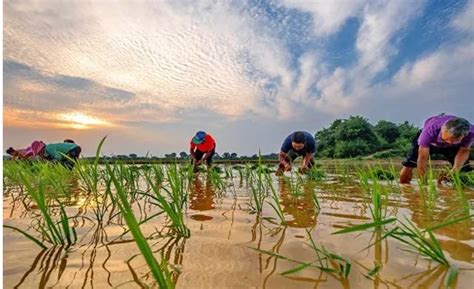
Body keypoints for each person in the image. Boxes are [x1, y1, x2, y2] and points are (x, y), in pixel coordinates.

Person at [400, 115, 473, 184]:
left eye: (454, 140)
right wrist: (423, 184)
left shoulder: (471, 133)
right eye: (448, 139)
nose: (450, 142)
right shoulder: (429, 131)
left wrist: (454, 170)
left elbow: (464, 151)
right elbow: (422, 158)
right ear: (443, 129)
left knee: (464, 170)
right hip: (430, 143)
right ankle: (403, 186)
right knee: (409, 164)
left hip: (454, 148)